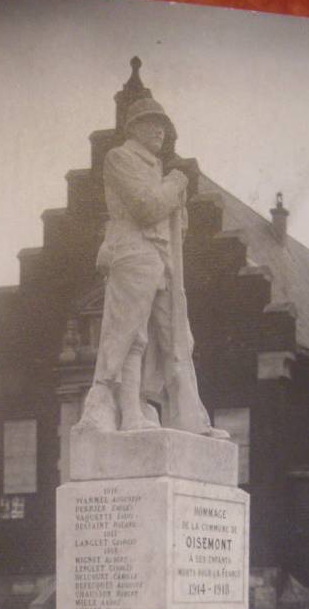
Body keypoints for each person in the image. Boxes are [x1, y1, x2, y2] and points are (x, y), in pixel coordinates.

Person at [75, 97, 227, 438]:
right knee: (131, 335)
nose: (160, 130)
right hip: (134, 252)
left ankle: (188, 417)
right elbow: (146, 208)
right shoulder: (120, 159)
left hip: (163, 260)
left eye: (163, 125)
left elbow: (179, 225)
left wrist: (173, 194)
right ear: (134, 128)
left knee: (178, 339)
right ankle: (128, 413)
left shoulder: (159, 169)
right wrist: (174, 186)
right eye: (151, 122)